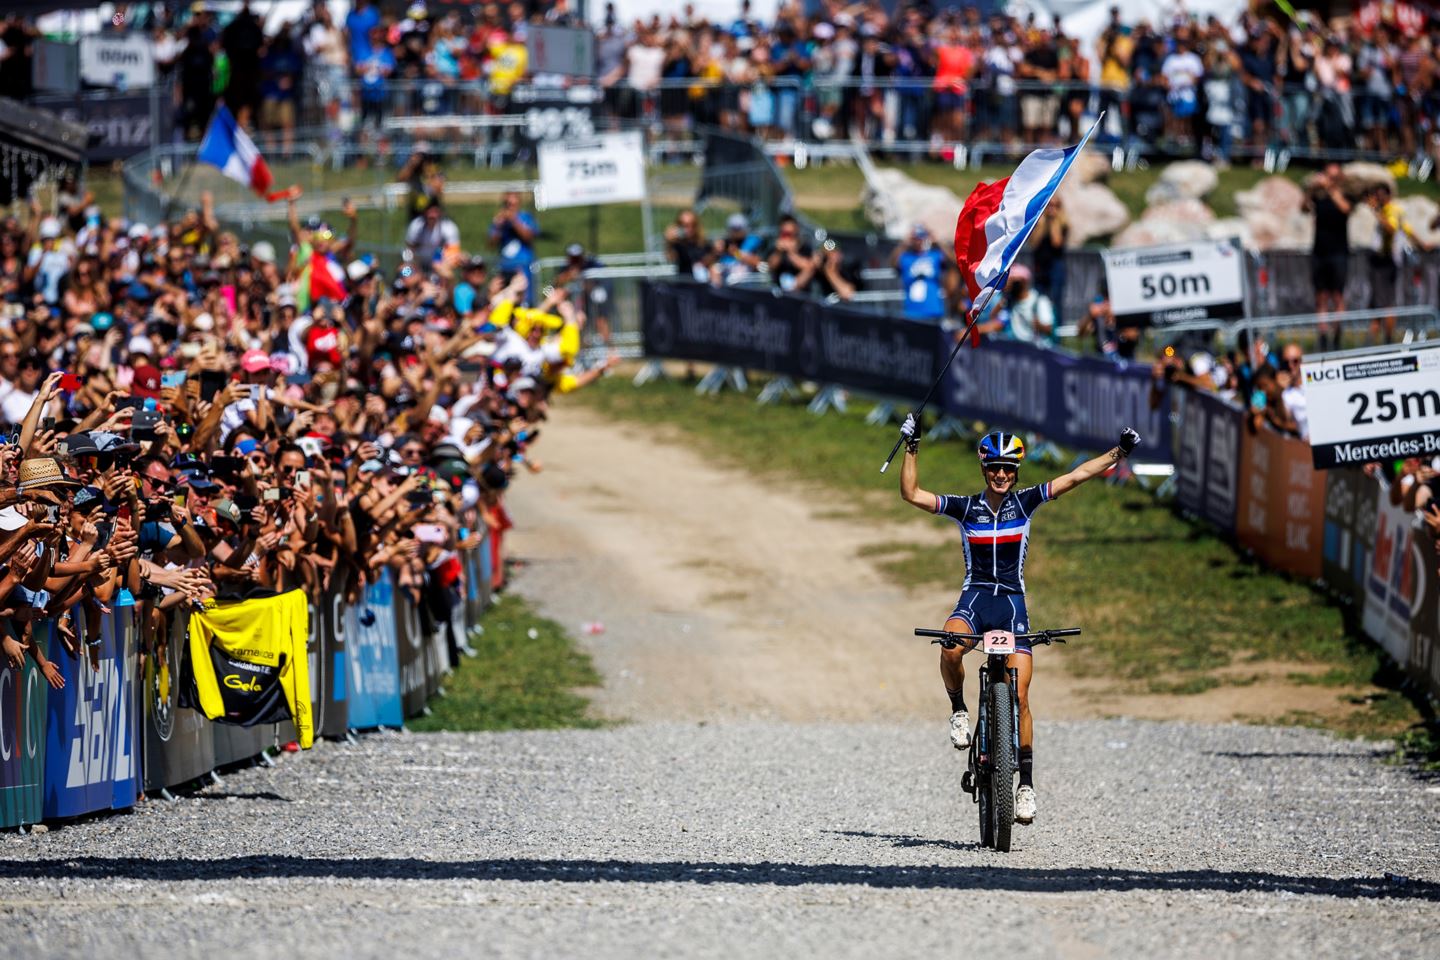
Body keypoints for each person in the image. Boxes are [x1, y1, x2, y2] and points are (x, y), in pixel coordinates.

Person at [898, 421, 1143, 825]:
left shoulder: (1025, 503)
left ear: (1016, 474)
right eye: (994, 468)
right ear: (984, 470)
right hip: (975, 600)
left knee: (1022, 694)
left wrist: (1119, 453)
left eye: (1008, 469)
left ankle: (1025, 785)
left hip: (1012, 606)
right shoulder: (966, 508)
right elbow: (911, 494)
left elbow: (1077, 475)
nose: (1001, 475)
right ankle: (959, 709)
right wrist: (912, 444)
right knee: (948, 645)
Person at [1303, 163, 1351, 351]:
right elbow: (1304, 208)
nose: (1328, 179)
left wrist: (1330, 188)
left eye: (1333, 176)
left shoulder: (1344, 194)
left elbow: (1345, 209)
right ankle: (1323, 335)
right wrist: (1311, 189)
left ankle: (1337, 335)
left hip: (1338, 253)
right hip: (1319, 252)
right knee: (1321, 297)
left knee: (1337, 296)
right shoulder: (1318, 195)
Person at [893, 225, 948, 323]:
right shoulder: (906, 257)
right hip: (912, 311)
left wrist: (938, 241)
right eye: (916, 239)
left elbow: (952, 260)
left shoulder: (935, 255)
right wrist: (904, 243)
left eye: (921, 238)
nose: (918, 241)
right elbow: (893, 263)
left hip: (933, 309)